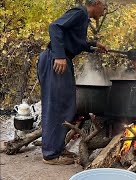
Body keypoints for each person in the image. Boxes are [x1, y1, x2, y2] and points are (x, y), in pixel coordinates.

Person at [37, 0, 107, 165]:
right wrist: (60, 55)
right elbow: (55, 27)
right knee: (56, 106)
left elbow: (75, 42)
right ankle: (51, 155)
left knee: (66, 105)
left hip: (60, 60)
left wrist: (94, 45)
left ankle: (57, 148)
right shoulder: (79, 12)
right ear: (96, 3)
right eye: (104, 8)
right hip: (56, 60)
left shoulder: (83, 18)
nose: (104, 12)